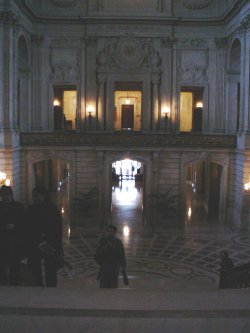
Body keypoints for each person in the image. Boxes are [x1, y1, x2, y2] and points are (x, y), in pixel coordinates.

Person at [25, 186, 63, 287]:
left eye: (36, 196)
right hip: (35, 243)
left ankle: (51, 290)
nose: (34, 198)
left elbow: (57, 228)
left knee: (50, 269)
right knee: (35, 269)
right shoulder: (31, 208)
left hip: (49, 243)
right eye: (33, 196)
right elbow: (27, 226)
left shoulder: (52, 209)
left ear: (44, 196)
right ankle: (38, 287)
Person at [0, 185, 25, 286]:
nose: (5, 197)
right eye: (2, 195)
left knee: (15, 264)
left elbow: (24, 222)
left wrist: (15, 225)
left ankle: (15, 284)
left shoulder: (19, 206)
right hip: (2, 239)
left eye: (6, 195)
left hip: (15, 240)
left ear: (11, 195)